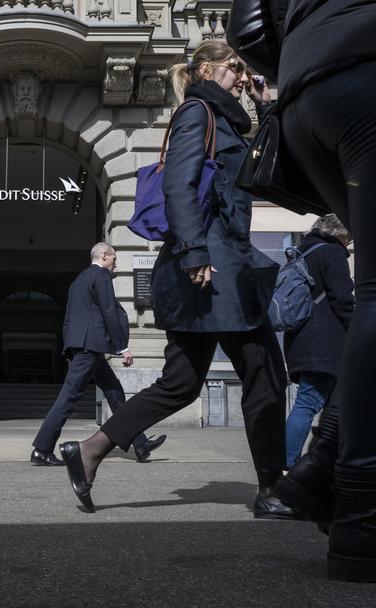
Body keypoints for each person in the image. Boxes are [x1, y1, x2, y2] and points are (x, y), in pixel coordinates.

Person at [59, 40, 297, 519]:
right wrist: (192, 252)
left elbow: (269, 166)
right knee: (265, 376)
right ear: (208, 69)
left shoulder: (227, 119)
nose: (241, 74)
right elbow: (178, 185)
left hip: (220, 268)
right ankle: (272, 489)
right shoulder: (197, 114)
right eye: (234, 67)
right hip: (213, 270)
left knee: (180, 383)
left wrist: (265, 103)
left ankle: (88, 451)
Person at [230, 0, 376, 582]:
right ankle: (361, 513)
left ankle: (321, 474)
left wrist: (303, 59)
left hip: (307, 102)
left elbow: (247, 26)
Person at [30, 242, 166, 466]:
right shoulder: (101, 276)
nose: (116, 263)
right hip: (90, 348)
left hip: (85, 347)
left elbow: (68, 319)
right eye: (114, 258)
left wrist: (70, 348)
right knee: (67, 398)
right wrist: (122, 346)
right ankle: (42, 449)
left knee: (115, 393)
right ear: (104, 256)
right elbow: (109, 311)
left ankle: (140, 444)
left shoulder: (78, 281)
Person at [284, 215, 353, 468]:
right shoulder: (332, 253)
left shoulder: (301, 252)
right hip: (324, 344)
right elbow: (343, 299)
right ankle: (288, 465)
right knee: (309, 402)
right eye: (349, 235)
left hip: (300, 340)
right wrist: (358, 329)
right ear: (339, 233)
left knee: (332, 405)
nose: (351, 241)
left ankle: (325, 463)